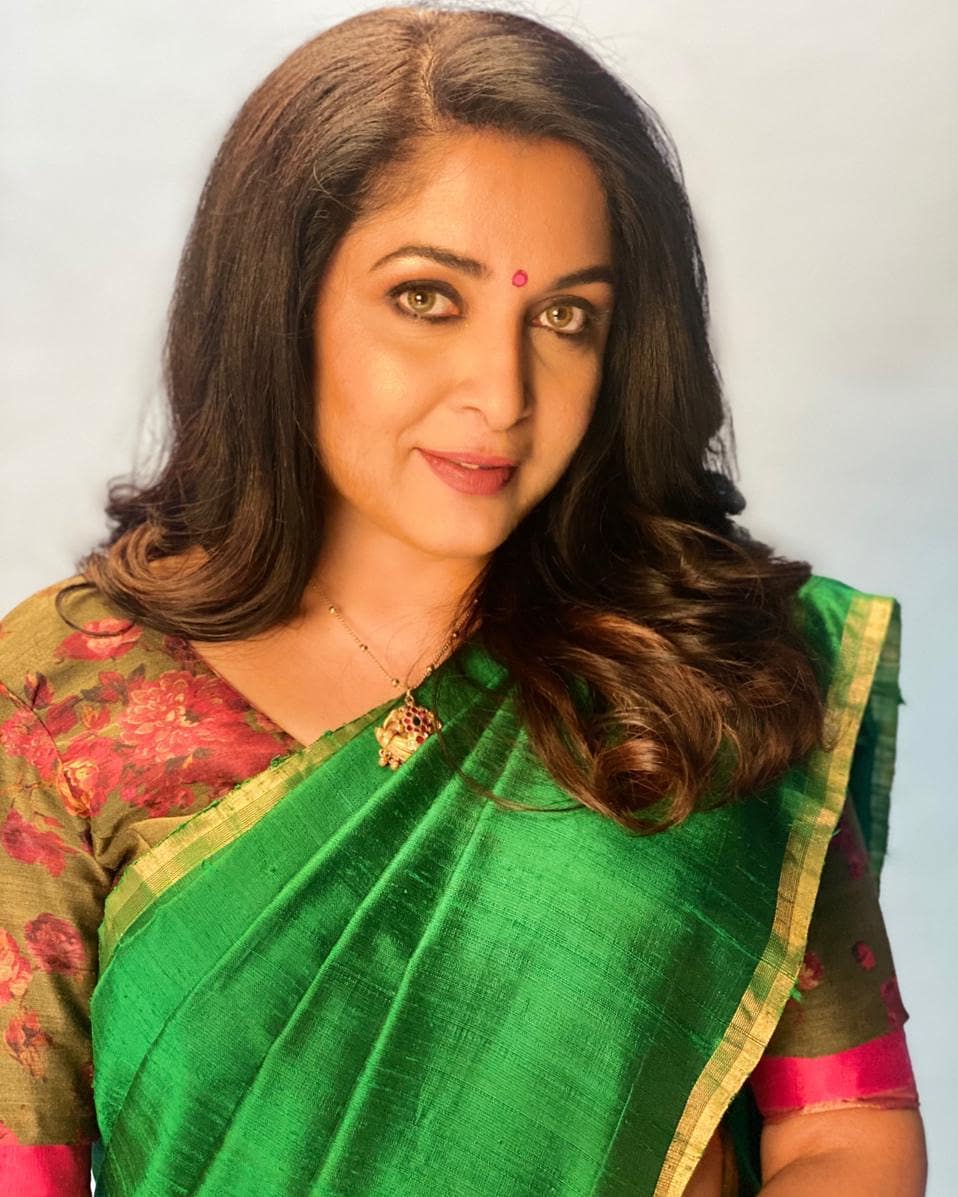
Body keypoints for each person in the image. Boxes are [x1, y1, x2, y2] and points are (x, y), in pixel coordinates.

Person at [0, 5, 927, 1195]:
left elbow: (844, 1130)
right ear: (280, 301)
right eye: (427, 298)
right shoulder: (70, 694)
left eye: (565, 317)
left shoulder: (706, 658)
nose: (502, 392)